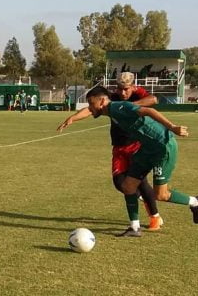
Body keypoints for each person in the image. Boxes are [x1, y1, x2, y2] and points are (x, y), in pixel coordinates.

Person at [57, 86, 198, 237]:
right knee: (128, 186)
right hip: (146, 149)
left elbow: (149, 110)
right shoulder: (109, 110)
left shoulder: (119, 107)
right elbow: (89, 111)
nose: (90, 107)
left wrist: (172, 127)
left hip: (162, 147)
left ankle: (195, 202)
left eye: (91, 103)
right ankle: (134, 227)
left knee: (161, 195)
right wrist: (72, 118)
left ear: (101, 101)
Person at [57, 73, 164, 231]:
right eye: (120, 89)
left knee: (141, 182)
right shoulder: (111, 97)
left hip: (136, 145)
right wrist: (73, 118)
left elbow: (153, 100)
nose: (122, 92)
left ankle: (154, 217)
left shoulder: (138, 93)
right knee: (120, 183)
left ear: (132, 86)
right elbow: (90, 109)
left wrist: (129, 107)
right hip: (119, 147)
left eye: (125, 89)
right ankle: (138, 199)